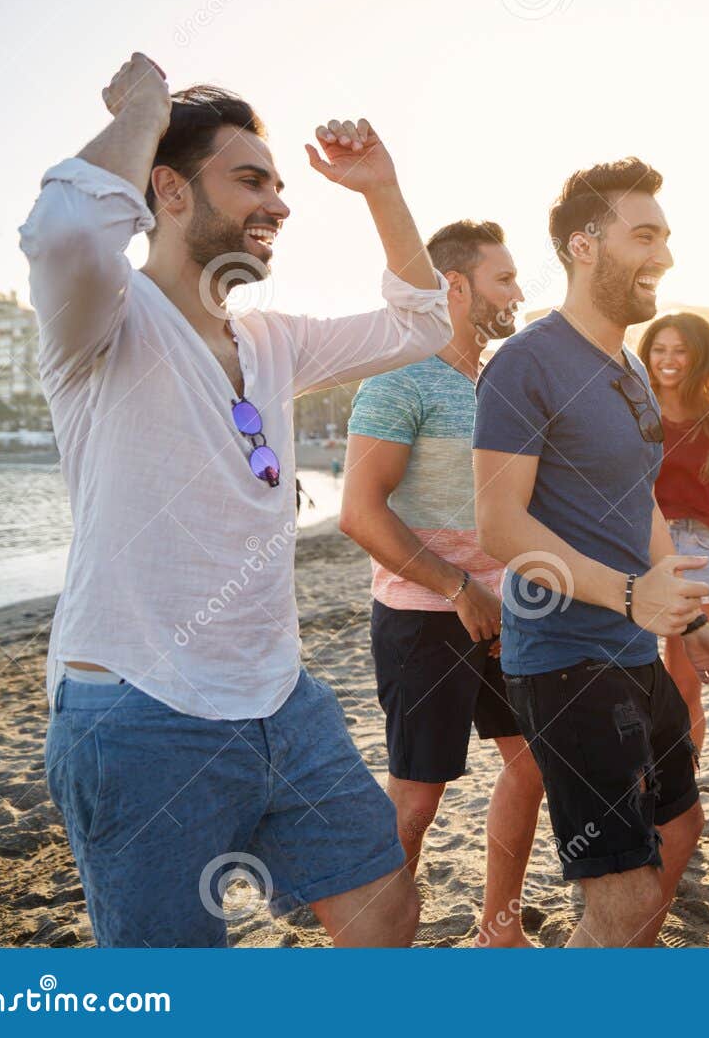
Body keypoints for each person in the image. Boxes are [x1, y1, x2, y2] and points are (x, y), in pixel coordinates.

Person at [29, 54, 453, 947]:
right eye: (251, 179)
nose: (280, 203)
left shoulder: (272, 342)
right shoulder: (101, 320)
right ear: (169, 192)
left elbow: (425, 323)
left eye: (280, 183)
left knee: (386, 908)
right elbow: (66, 229)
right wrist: (146, 108)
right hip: (138, 711)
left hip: (282, 699)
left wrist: (381, 189)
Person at [472, 158, 709, 948]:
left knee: (681, 826)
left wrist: (687, 621)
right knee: (619, 895)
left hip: (634, 654)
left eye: (665, 237)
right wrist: (628, 597)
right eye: (644, 236)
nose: (662, 256)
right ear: (584, 245)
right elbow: (499, 526)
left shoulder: (627, 364)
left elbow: (642, 500)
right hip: (564, 662)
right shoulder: (524, 364)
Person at [340, 219, 544, 947]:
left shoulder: (498, 378)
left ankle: (501, 930)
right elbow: (359, 513)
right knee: (417, 801)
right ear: (455, 287)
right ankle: (379, 951)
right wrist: (461, 588)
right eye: (505, 278)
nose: (519, 292)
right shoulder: (398, 376)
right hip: (425, 615)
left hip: (510, 609)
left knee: (530, 763)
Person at [640, 311, 709, 753]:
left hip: (699, 552)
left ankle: (683, 784)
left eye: (680, 351)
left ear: (700, 357)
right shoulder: (634, 406)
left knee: (685, 681)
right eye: (659, 349)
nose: (667, 360)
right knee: (632, 675)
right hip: (636, 546)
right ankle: (638, 781)